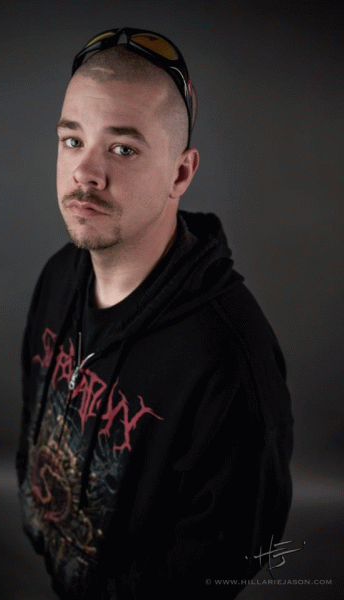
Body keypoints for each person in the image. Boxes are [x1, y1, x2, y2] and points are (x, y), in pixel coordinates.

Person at [16, 28, 293, 600]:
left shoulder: (228, 358)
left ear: (181, 174)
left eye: (122, 149)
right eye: (72, 140)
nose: (85, 172)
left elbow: (229, 554)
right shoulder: (60, 276)